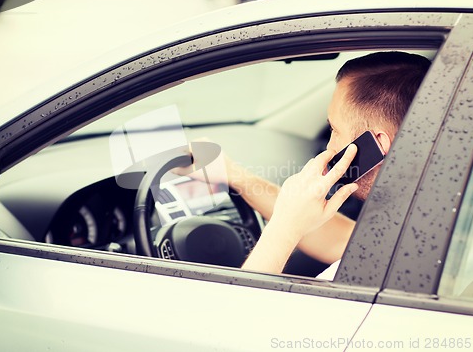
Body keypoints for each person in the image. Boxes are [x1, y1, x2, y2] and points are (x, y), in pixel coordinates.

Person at [184, 51, 431, 279]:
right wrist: (236, 176)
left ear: (377, 143)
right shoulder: (428, 226)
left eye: (334, 130)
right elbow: (348, 241)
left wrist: (284, 227)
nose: (329, 147)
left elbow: (237, 320)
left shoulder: (363, 280)